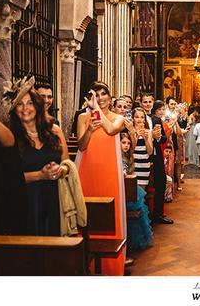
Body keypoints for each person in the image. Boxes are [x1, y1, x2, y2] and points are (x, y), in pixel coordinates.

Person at [75, 82, 126, 275]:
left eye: (104, 94)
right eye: (96, 94)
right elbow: (81, 146)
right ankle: (84, 264)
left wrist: (96, 109)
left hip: (109, 171)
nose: (100, 98)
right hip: (86, 169)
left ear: (109, 97)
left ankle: (110, 267)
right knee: (86, 214)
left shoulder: (118, 118)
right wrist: (89, 129)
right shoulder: (82, 117)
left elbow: (111, 130)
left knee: (109, 216)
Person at [9, 79, 69, 236]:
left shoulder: (54, 130)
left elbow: (67, 164)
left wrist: (59, 170)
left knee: (55, 253)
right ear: (14, 109)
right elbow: (8, 179)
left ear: (37, 105)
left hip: (54, 201)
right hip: (26, 203)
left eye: (29, 103)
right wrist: (40, 175)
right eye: (19, 104)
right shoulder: (11, 137)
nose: (25, 108)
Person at [119, 131, 153, 252]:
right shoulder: (115, 158)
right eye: (123, 142)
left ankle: (134, 240)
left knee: (140, 210)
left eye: (128, 143)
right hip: (119, 188)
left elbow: (131, 173)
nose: (126, 145)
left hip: (128, 188)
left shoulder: (129, 157)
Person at [146, 98, 174, 224]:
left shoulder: (156, 119)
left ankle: (158, 214)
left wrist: (158, 137)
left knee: (160, 182)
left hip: (156, 156)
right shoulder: (138, 117)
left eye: (149, 102)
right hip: (142, 155)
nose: (147, 104)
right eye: (145, 102)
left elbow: (163, 139)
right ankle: (145, 214)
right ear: (141, 103)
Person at [129, 107, 153, 188]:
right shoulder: (130, 131)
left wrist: (146, 139)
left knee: (142, 192)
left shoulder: (148, 132)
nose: (139, 119)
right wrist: (135, 136)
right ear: (132, 118)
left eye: (142, 117)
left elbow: (150, 152)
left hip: (144, 164)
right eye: (136, 117)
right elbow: (130, 150)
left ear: (145, 119)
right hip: (133, 163)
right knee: (131, 191)